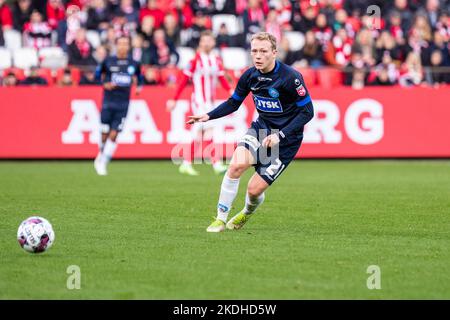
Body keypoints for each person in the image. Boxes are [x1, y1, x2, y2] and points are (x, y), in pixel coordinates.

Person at [187, 32, 314, 232]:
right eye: (254, 51)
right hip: (261, 129)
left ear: (274, 53)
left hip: (286, 140)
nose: (258, 55)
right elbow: (234, 102)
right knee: (236, 166)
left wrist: (280, 135)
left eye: (263, 51)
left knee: (254, 190)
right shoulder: (250, 75)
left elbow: (308, 112)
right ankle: (220, 218)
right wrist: (208, 116)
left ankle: (246, 212)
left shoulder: (291, 77)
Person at [166, 30, 232, 176]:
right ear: (201, 43)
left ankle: (192, 163)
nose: (207, 43)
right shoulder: (194, 61)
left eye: (209, 40)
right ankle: (211, 163)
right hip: (199, 102)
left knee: (205, 132)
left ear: (213, 43)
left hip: (210, 102)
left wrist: (232, 92)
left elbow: (222, 80)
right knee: (200, 131)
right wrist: (174, 99)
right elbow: (183, 81)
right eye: (204, 41)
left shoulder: (216, 61)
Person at [94, 36, 143, 176]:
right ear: (116, 46)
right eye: (120, 44)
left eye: (125, 44)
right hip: (108, 101)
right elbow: (97, 75)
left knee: (114, 134)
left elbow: (140, 78)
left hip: (123, 103)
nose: (123, 46)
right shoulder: (108, 61)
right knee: (104, 132)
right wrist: (105, 84)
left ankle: (103, 161)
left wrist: (139, 87)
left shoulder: (134, 63)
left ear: (129, 46)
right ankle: (101, 153)